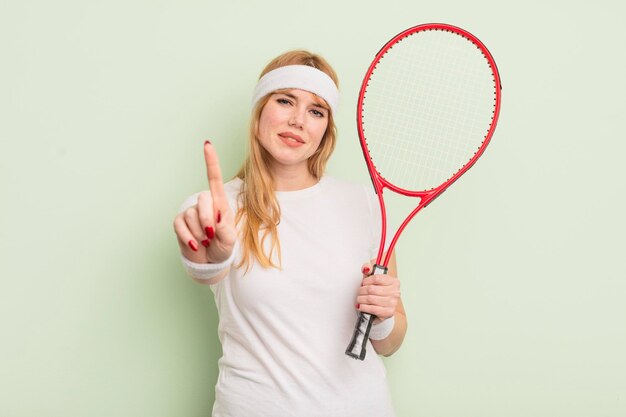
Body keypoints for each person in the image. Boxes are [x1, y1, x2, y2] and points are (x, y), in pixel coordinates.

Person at [173, 50, 407, 417]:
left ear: (325, 130)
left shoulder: (366, 204)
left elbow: (390, 342)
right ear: (260, 111)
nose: (298, 120)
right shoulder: (217, 208)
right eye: (285, 101)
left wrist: (383, 317)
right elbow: (207, 270)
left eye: (316, 111)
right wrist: (208, 259)